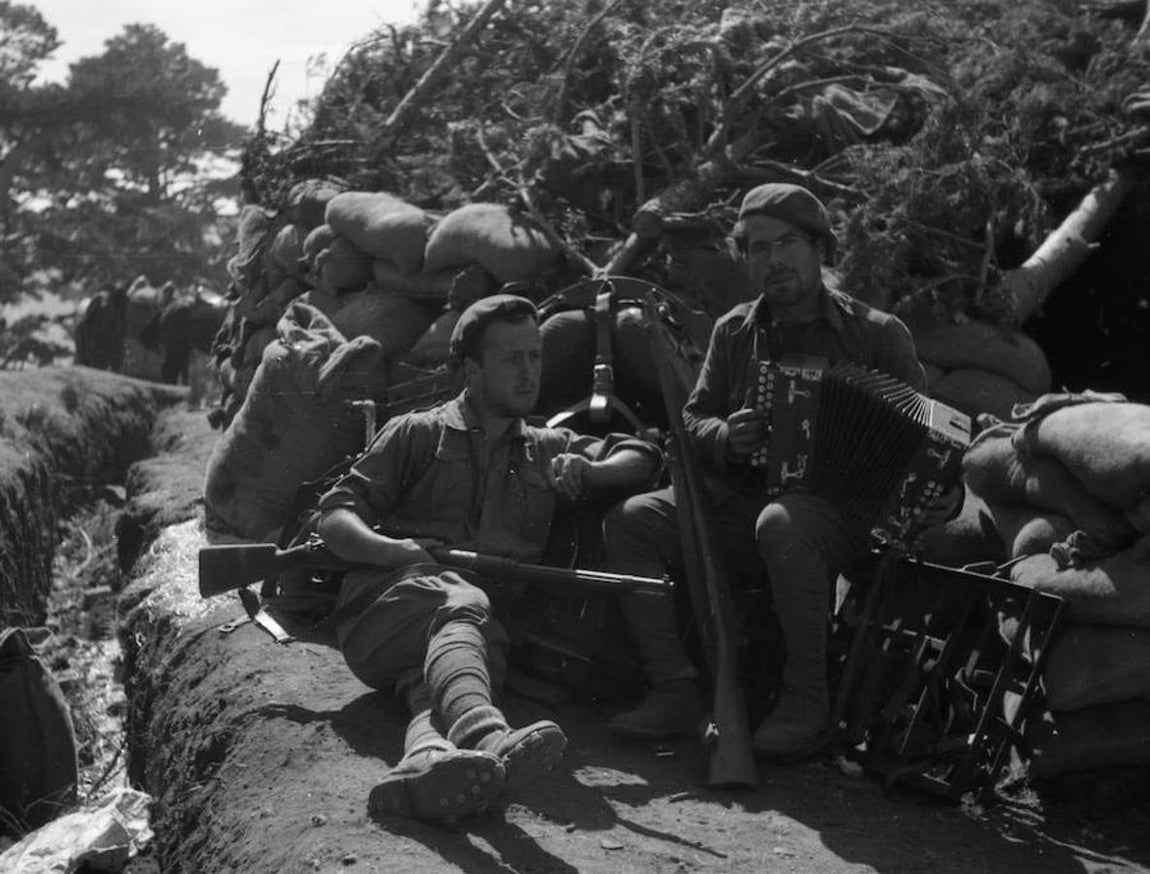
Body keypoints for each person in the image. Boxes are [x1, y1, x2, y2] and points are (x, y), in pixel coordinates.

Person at [604, 182, 947, 757]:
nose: (774, 260)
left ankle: (806, 703)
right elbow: (694, 418)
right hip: (746, 503)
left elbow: (931, 441)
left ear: (819, 249)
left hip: (845, 518)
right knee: (632, 520)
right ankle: (676, 689)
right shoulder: (734, 330)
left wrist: (947, 496)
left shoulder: (877, 333)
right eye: (758, 249)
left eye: (787, 243)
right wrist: (725, 436)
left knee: (783, 523)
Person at [313, 293, 661, 822]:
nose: (529, 372)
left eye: (535, 357)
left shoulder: (547, 447)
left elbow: (640, 456)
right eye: (511, 359)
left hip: (474, 637)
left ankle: (423, 773)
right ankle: (489, 735)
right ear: (472, 371)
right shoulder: (418, 433)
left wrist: (592, 471)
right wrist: (395, 551)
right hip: (382, 613)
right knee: (459, 599)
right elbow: (335, 515)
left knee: (440, 687)